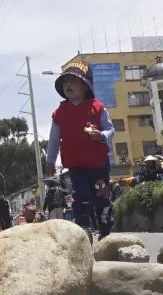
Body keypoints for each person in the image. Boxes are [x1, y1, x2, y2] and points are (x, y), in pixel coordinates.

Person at [44, 62, 115, 238]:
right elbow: (54, 140)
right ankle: (84, 230)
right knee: (81, 198)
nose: (68, 85)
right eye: (65, 82)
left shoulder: (98, 108)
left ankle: (105, 231)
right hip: (76, 166)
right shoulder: (59, 113)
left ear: (85, 86)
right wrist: (50, 161)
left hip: (98, 165)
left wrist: (101, 135)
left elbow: (111, 130)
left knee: (102, 198)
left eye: (73, 81)